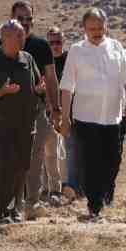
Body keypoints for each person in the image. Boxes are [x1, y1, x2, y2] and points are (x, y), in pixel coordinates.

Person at [57, 7, 126, 220]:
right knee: (91, 162)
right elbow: (67, 87)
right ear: (84, 28)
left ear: (107, 26)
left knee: (113, 160)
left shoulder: (117, 47)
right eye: (91, 28)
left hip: (113, 117)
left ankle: (106, 198)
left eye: (100, 27)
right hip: (85, 118)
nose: (96, 32)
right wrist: (65, 117)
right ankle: (95, 207)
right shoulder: (76, 50)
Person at [0, 1, 59, 218]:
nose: (25, 24)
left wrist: (56, 108)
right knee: (8, 161)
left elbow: (50, 79)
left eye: (29, 19)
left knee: (31, 158)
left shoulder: (39, 48)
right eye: (21, 18)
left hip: (35, 112)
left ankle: (30, 203)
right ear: (12, 17)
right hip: (4, 118)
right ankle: (4, 208)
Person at [0, 20, 42, 223]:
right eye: (19, 35)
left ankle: (17, 208)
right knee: (6, 164)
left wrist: (40, 90)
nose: (23, 38)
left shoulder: (28, 58)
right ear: (5, 38)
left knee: (22, 164)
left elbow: (37, 83)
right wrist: (2, 91)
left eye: (23, 34)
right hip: (2, 123)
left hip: (26, 121)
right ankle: (2, 211)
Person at [47, 26, 78, 200]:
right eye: (51, 42)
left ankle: (71, 186)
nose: (55, 45)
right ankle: (54, 188)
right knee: (52, 153)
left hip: (69, 113)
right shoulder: (45, 62)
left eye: (58, 41)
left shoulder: (70, 60)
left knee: (71, 150)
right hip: (50, 113)